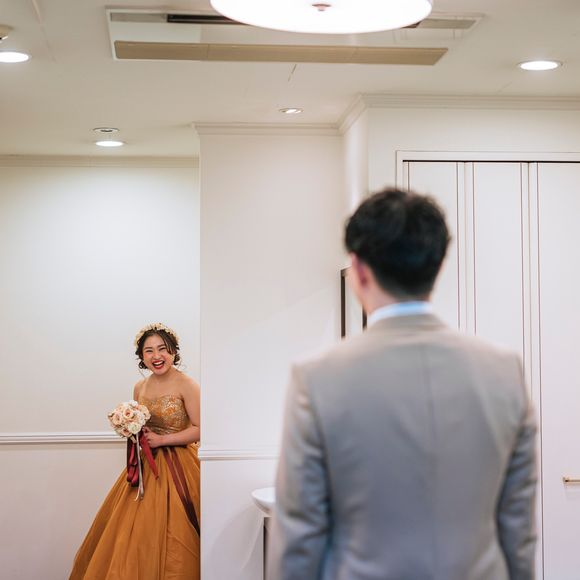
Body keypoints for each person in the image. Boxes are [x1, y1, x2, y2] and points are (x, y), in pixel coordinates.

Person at [267, 189, 537, 580]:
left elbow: (299, 538)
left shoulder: (317, 378)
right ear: (437, 265)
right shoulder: (504, 371)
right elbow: (518, 531)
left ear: (358, 269)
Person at [70, 323, 200, 580]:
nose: (156, 356)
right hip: (146, 466)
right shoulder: (140, 387)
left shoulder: (188, 385)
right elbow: (142, 426)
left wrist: (163, 440)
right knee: (135, 531)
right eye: (149, 351)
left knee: (175, 531)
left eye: (162, 349)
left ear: (174, 351)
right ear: (142, 356)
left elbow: (200, 429)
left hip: (180, 467)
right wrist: (132, 429)